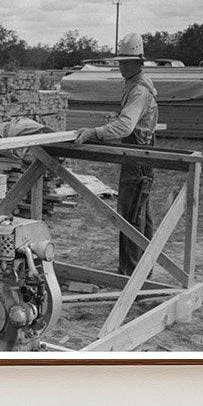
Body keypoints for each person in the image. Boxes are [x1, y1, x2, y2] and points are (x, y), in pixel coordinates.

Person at [75, 32, 159, 275]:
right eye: (120, 62)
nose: (121, 67)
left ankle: (131, 273)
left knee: (132, 214)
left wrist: (94, 132)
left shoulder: (139, 90)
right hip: (140, 150)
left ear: (136, 63)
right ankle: (142, 270)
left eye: (125, 62)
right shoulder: (135, 84)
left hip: (138, 153)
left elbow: (126, 126)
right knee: (141, 212)